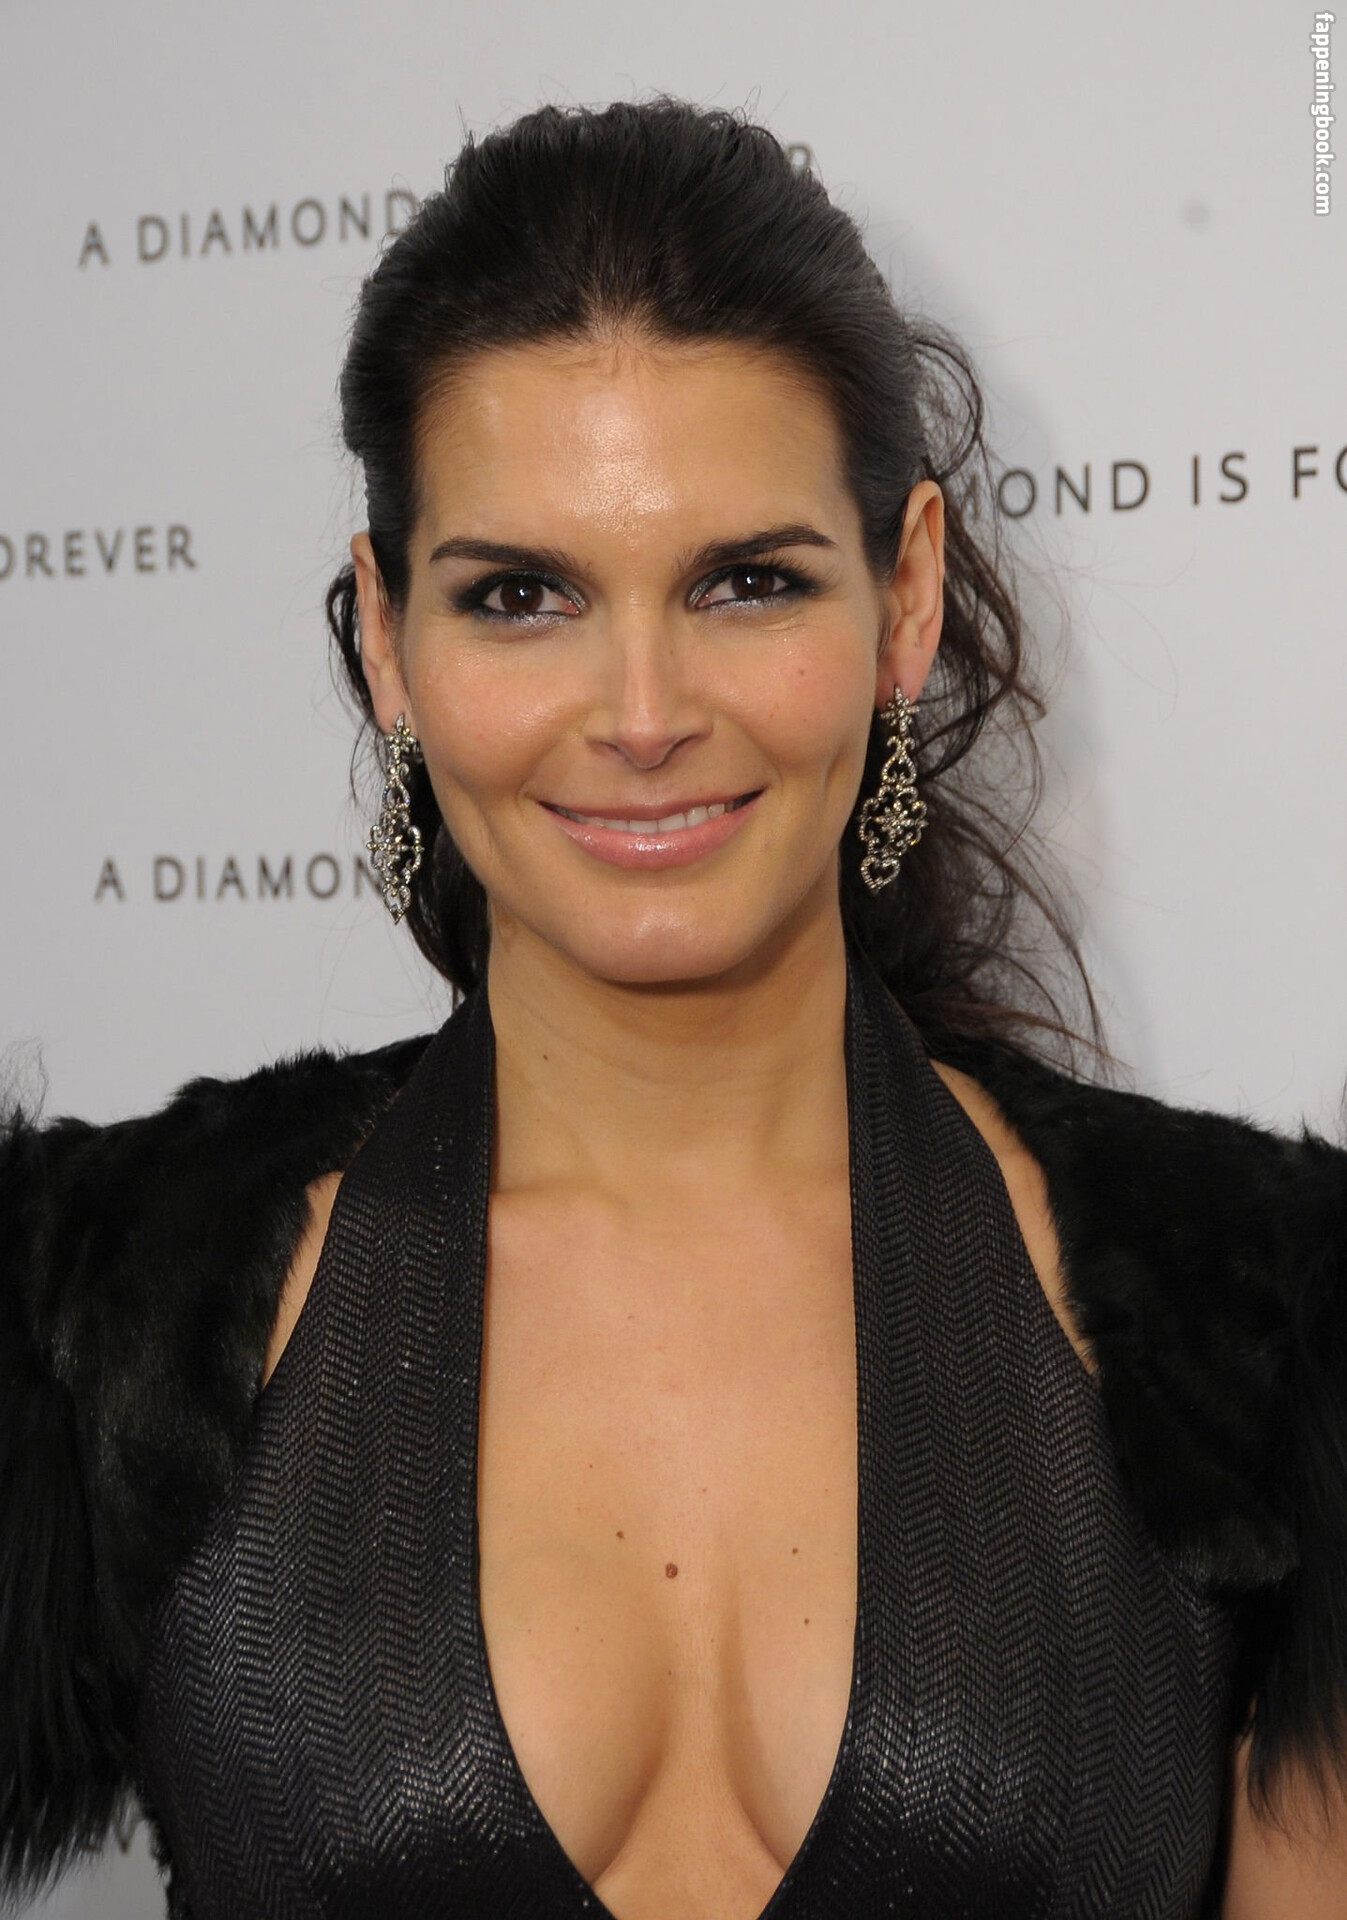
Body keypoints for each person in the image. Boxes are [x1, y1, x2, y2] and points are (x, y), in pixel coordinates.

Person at [3, 94, 1345, 1920]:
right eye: (521, 595)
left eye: (747, 583)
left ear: (905, 596)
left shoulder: (1273, 1308)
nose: (642, 715)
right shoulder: (89, 1310)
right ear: (387, 635)